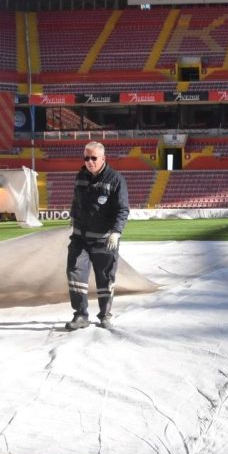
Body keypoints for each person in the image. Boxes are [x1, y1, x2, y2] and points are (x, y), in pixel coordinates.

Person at [65, 141, 129, 330]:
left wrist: (116, 232)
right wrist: (73, 216)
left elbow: (122, 209)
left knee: (105, 279)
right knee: (75, 274)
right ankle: (80, 315)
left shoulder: (115, 179)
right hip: (80, 239)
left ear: (103, 158)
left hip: (104, 240)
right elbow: (76, 200)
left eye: (94, 158)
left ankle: (105, 315)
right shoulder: (81, 176)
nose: (90, 162)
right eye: (86, 158)